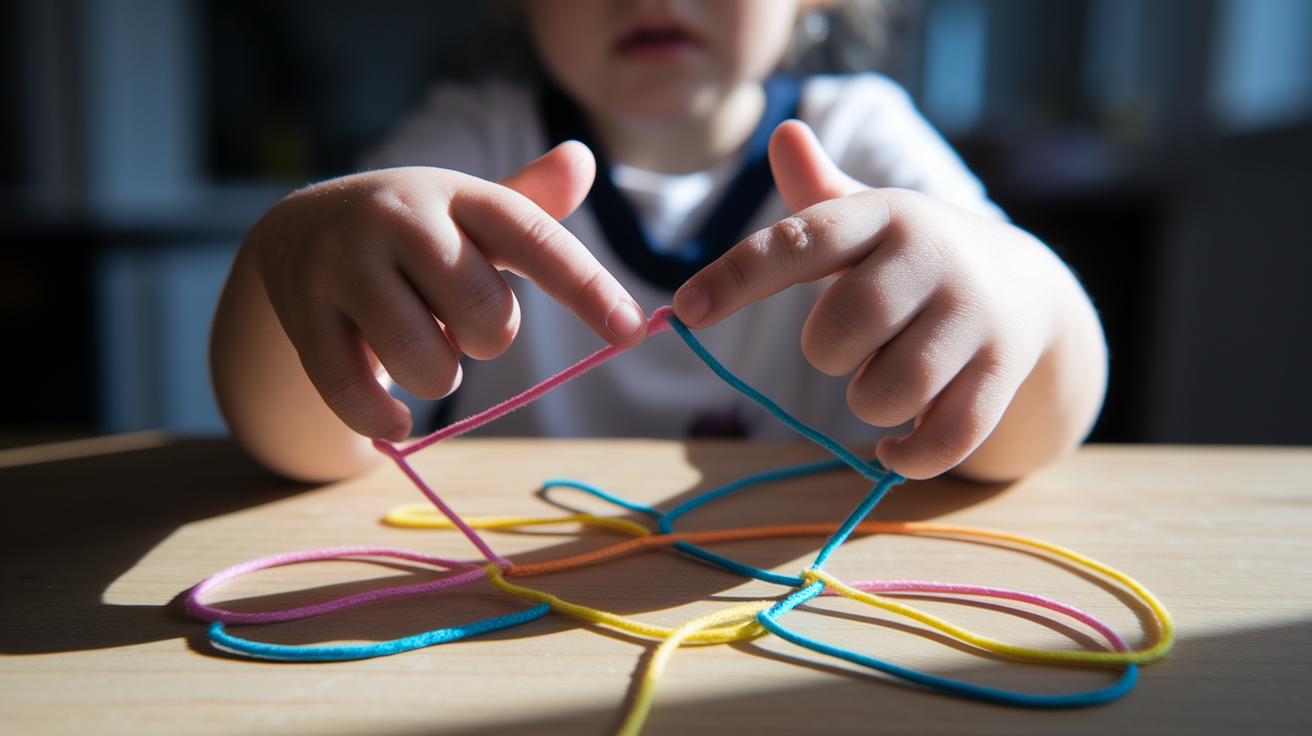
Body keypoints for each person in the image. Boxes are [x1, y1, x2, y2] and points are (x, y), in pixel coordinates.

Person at [210, 0, 1107, 485]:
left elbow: (1020, 444)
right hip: (507, 612)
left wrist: (1020, 292)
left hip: (800, 602)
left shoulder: (868, 136)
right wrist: (287, 253)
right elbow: (311, 450)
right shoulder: (470, 144)